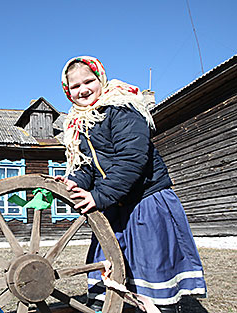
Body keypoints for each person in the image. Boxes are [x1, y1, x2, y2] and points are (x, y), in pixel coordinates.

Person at [57, 56, 207, 313]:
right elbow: (86, 166)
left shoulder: (122, 107)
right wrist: (72, 183)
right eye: (75, 86)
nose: (83, 90)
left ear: (100, 79)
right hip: (115, 205)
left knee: (153, 273)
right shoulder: (80, 123)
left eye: (88, 81)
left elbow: (132, 158)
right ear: (67, 91)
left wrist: (99, 195)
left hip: (145, 201)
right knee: (111, 271)